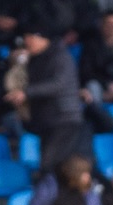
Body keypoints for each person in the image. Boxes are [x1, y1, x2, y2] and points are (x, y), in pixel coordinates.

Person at [15, 27, 86, 171]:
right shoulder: (34, 59)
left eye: (29, 38)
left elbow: (58, 84)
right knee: (53, 165)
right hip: (47, 120)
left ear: (40, 38)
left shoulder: (60, 57)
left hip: (64, 118)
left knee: (51, 165)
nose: (26, 43)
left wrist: (27, 93)